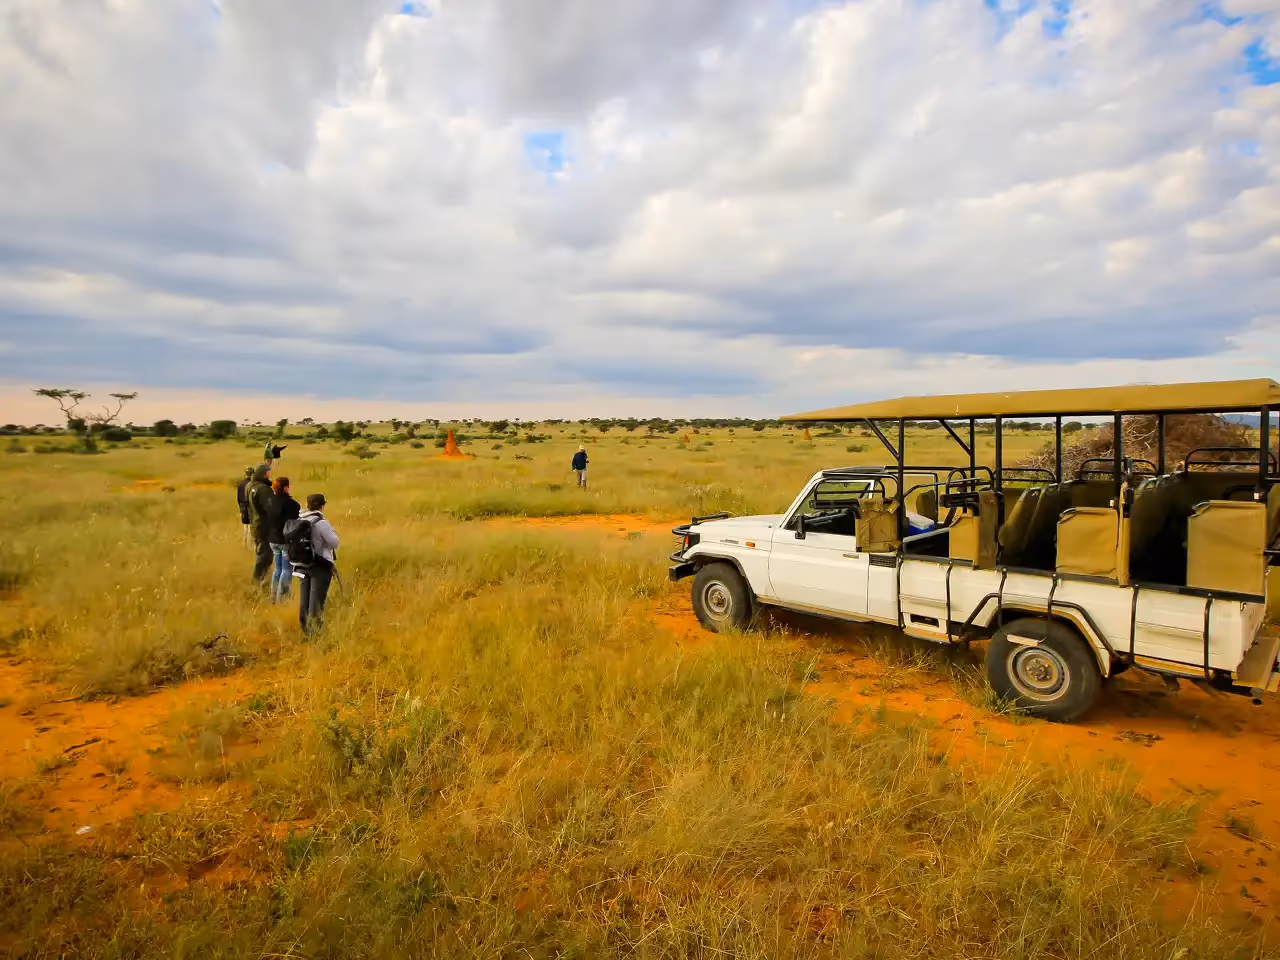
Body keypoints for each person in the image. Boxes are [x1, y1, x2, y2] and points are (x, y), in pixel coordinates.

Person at [297, 493, 339, 634]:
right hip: (319, 566)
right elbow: (334, 543)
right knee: (316, 602)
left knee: (304, 600)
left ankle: (305, 630)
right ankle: (315, 633)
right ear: (322, 506)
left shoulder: (298, 519)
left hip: (301, 565)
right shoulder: (321, 523)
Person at [266, 476, 300, 603]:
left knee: (277, 569)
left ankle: (273, 597)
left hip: (272, 540)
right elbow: (295, 520)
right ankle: (283, 599)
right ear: (286, 488)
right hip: (285, 541)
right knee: (286, 570)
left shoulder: (269, 501)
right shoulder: (292, 504)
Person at [246, 463, 274, 583]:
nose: (269, 474)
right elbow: (271, 509)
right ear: (265, 473)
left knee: (261, 554)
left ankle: (263, 582)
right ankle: (257, 583)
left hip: (255, 525)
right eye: (268, 471)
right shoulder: (263, 489)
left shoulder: (249, 485)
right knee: (264, 557)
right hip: (264, 527)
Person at [235, 466, 253, 547]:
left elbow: (238, 498)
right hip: (250, 508)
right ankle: (249, 546)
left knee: (245, 528)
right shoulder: (252, 484)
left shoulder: (240, 484)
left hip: (242, 507)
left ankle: (244, 545)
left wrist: (240, 508)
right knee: (251, 529)